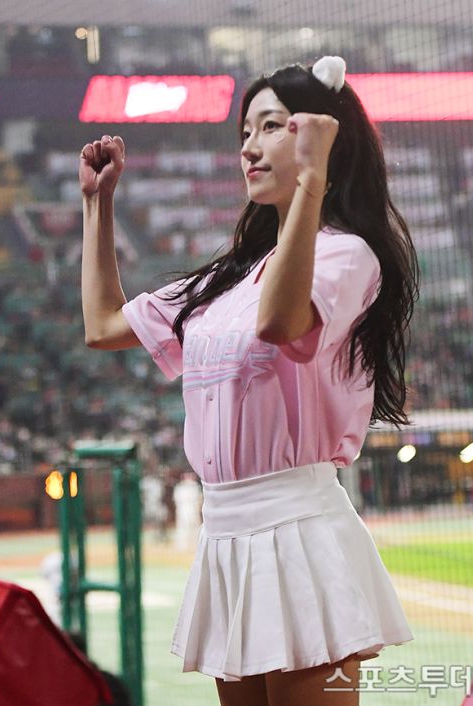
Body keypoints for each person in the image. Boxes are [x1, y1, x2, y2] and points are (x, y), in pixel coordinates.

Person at [79, 55, 419, 706]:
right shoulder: (227, 277)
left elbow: (280, 322)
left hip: (298, 529)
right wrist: (99, 204)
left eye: (270, 126)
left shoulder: (349, 255)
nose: (249, 147)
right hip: (224, 533)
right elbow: (102, 326)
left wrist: (313, 181)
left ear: (322, 138)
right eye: (244, 132)